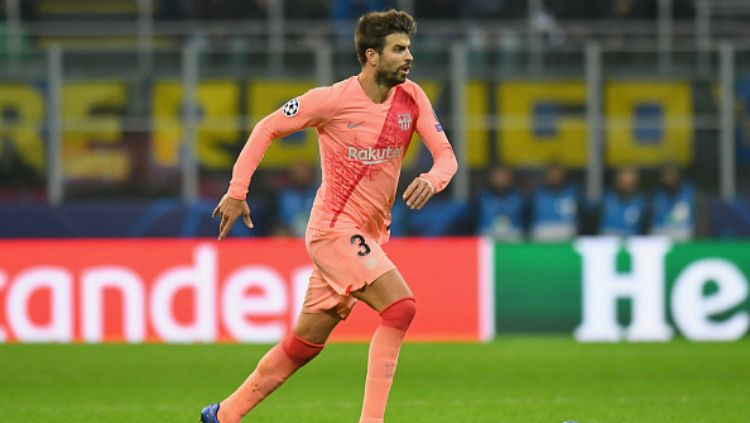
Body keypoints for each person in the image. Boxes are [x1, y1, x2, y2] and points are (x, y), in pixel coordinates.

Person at [202, 10, 457, 423]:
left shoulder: (413, 98)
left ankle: (222, 415)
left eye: (409, 47)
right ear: (371, 56)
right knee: (401, 308)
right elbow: (267, 127)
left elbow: (446, 157)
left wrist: (433, 178)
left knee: (304, 345)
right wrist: (236, 191)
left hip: (368, 235)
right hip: (334, 230)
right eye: (399, 49)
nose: (409, 56)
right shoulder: (332, 100)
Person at [529, 162, 579, 242]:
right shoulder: (537, 194)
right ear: (547, 175)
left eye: (557, 174)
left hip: (566, 236)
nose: (555, 177)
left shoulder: (572, 193)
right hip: (542, 236)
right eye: (552, 174)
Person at [475, 164, 525, 242]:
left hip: (513, 238)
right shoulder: (480, 198)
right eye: (497, 177)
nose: (501, 180)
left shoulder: (520, 198)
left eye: (504, 177)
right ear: (490, 178)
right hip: (487, 238)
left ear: (510, 178)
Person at [649, 164, 695, 241]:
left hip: (685, 241)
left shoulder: (691, 194)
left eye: (673, 175)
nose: (669, 178)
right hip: (660, 240)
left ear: (679, 176)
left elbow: (700, 222)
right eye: (667, 175)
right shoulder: (655, 196)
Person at [599, 165, 645, 236]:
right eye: (623, 183)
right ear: (617, 181)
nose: (626, 187)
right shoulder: (604, 202)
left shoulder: (642, 204)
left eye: (630, 184)